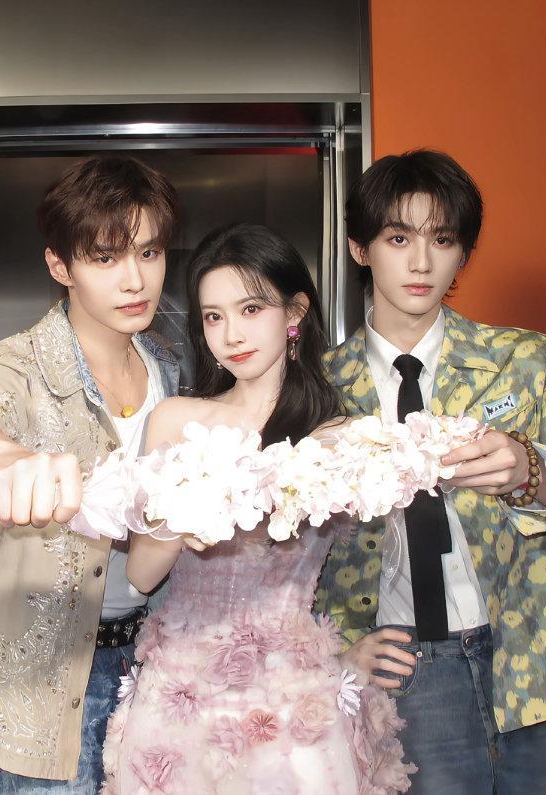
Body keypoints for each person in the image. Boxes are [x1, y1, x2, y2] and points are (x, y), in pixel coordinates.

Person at [316, 149, 546, 793]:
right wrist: (332, 654)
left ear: (462, 253)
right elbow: (279, 554)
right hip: (406, 671)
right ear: (359, 248)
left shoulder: (525, 360)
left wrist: (530, 471)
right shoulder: (319, 389)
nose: (421, 262)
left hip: (534, 661)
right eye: (398, 238)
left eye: (442, 240)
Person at [102, 223, 414, 794]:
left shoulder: (337, 438)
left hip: (293, 697)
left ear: (294, 312)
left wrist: (354, 647)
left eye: (250, 309)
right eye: (213, 316)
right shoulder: (177, 421)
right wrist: (179, 518)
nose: (231, 335)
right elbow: (141, 576)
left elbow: (379, 556)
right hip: (182, 694)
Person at [0, 155, 181, 792]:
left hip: (160, 676)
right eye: (105, 258)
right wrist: (1, 455)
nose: (135, 279)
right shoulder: (15, 366)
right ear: (59, 266)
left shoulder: (171, 370)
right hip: (43, 690)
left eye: (149, 253)